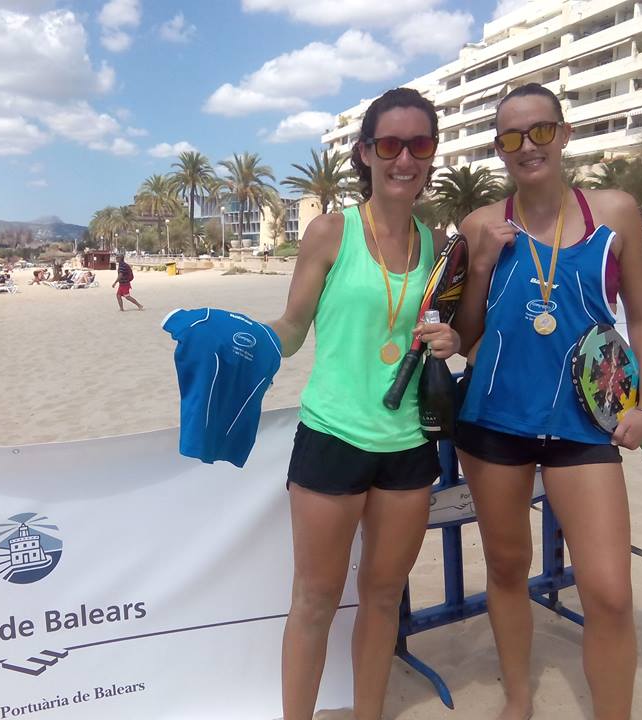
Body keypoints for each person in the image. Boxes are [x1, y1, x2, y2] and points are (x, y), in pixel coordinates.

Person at [452, 83, 642, 720]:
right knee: (507, 567)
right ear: (498, 148)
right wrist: (481, 267)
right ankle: (519, 698)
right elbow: (465, 335)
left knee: (609, 592)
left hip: (586, 422)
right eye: (511, 137)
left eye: (540, 130)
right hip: (493, 420)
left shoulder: (614, 213)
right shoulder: (480, 224)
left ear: (564, 134)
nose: (528, 146)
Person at [267, 87, 459, 720]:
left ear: (431, 153)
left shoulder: (437, 245)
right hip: (333, 436)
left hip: (409, 444)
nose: (404, 159)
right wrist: (250, 341)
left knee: (382, 597)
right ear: (365, 153)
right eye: (390, 145)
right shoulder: (331, 231)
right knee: (315, 600)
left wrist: (452, 339)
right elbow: (293, 328)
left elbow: (448, 329)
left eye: (419, 145)